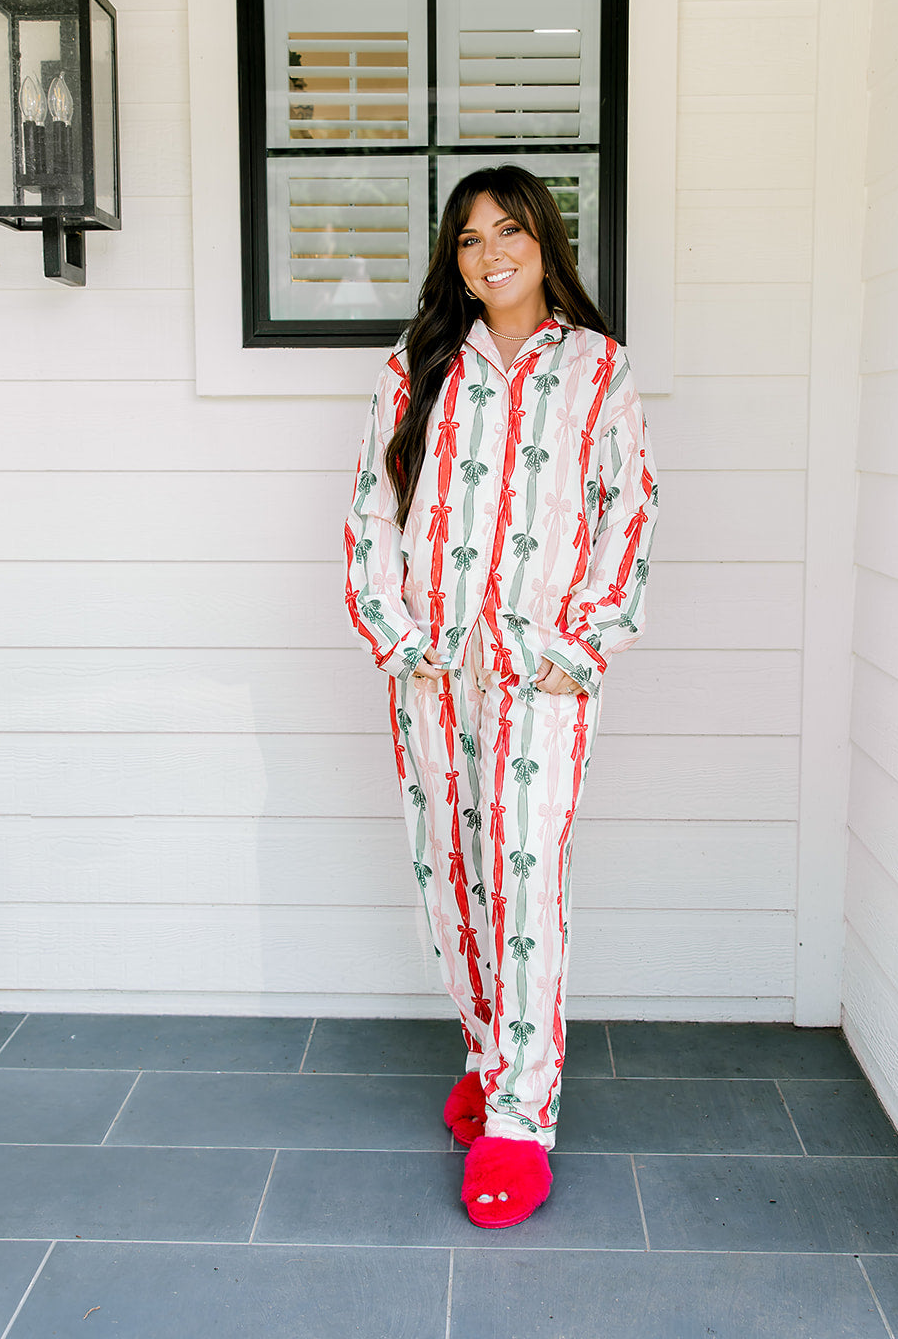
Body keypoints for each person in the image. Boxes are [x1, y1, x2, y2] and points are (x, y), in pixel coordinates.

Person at [344, 165, 657, 1228]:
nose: (489, 252)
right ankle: (484, 1047)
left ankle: (521, 1115)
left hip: (541, 673)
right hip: (432, 670)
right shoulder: (414, 365)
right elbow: (371, 512)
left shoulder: (597, 369)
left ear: (542, 241)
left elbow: (630, 509)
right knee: (449, 874)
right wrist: (399, 638)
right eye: (469, 237)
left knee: (522, 882)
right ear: (454, 256)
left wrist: (579, 644)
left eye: (508, 230)